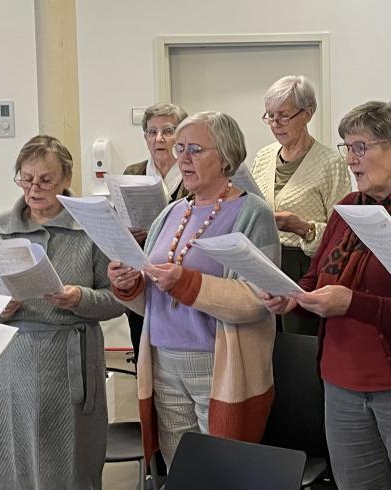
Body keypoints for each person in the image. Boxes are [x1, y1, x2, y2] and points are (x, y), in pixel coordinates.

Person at [262, 101, 391, 490]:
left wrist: (352, 303)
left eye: (360, 147)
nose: (350, 159)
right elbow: (315, 279)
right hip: (342, 388)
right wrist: (293, 298)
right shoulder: (348, 208)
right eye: (347, 147)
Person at [106, 111, 279, 467]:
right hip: (163, 361)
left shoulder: (253, 213)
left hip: (219, 365)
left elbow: (258, 300)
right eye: (180, 148)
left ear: (226, 157)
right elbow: (153, 300)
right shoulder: (170, 213)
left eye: (195, 149)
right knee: (181, 469)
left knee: (222, 473)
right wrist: (130, 285)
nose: (183, 158)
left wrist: (186, 282)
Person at [0, 135, 124, 488]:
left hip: (70, 358)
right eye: (26, 178)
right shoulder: (1, 230)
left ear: (66, 179)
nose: (34, 189)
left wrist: (80, 298)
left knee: (70, 464)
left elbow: (119, 299)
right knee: (14, 461)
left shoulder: (91, 227)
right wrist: (1, 306)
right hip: (13, 361)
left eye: (45, 180)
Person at [249, 75, 349, 334]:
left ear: (307, 113)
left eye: (284, 116)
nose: (275, 124)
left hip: (304, 269)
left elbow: (343, 236)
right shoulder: (264, 156)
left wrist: (303, 228)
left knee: (298, 345)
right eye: (270, 116)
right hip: (265, 262)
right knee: (265, 343)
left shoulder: (331, 163)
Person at [122, 102, 191, 350]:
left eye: (168, 131)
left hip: (179, 271)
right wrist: (126, 232)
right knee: (142, 346)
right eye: (152, 132)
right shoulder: (133, 172)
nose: (159, 138)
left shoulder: (191, 173)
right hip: (141, 272)